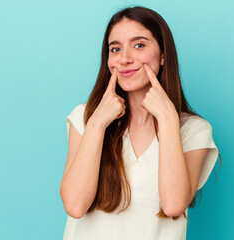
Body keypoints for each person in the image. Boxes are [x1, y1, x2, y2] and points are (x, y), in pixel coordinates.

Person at [60, 6, 221, 240]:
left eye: (139, 45)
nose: (125, 59)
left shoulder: (194, 130)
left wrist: (167, 118)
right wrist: (97, 124)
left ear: (163, 54)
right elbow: (75, 205)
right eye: (116, 49)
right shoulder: (85, 118)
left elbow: (174, 205)